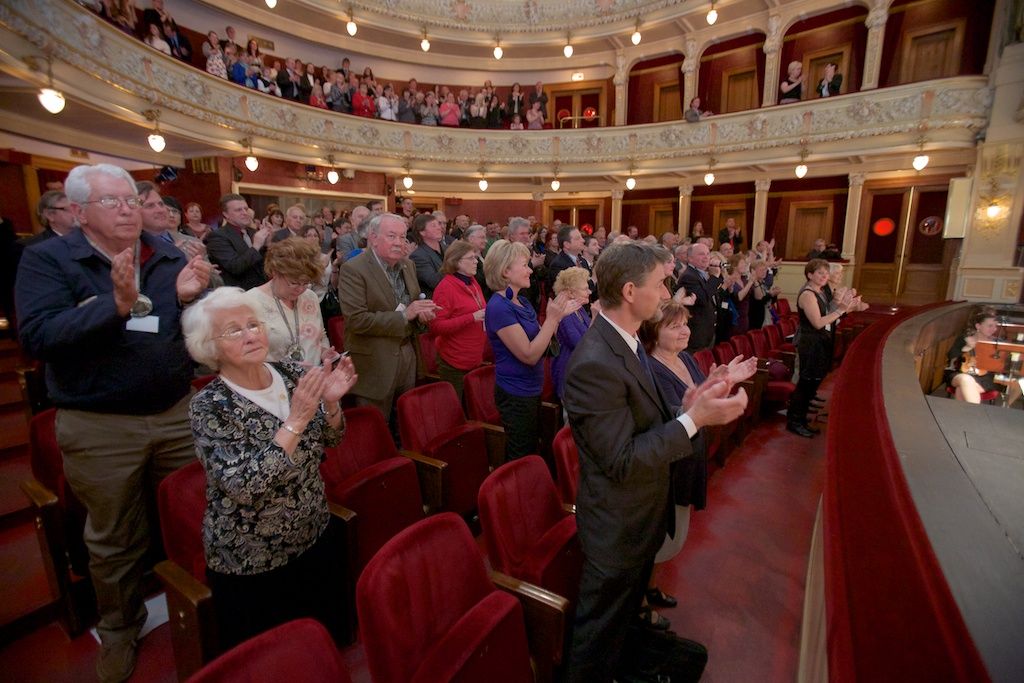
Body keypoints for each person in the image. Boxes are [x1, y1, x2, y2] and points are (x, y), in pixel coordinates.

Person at [15, 163, 211, 683]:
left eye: (131, 199)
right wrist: (115, 305)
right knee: (115, 534)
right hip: (101, 422)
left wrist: (190, 299)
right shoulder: (48, 260)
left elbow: (175, 327)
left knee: (192, 513)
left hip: (173, 410)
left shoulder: (166, 253)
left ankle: (203, 603)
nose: (128, 208)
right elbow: (37, 336)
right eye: (112, 201)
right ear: (78, 212)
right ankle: (120, 628)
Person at [562, 241, 748, 682]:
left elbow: (644, 419)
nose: (667, 292)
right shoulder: (595, 362)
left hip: (640, 512)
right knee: (595, 640)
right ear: (630, 291)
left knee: (621, 627)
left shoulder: (625, 341)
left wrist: (691, 402)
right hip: (616, 524)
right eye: (660, 283)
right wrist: (692, 421)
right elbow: (623, 459)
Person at [182, 287, 356, 649]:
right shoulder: (210, 407)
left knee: (325, 644)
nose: (251, 335)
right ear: (209, 347)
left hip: (314, 531)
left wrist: (332, 405)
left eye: (254, 324)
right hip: (255, 556)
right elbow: (244, 485)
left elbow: (331, 439)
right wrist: (295, 420)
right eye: (234, 330)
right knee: (275, 658)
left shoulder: (292, 373)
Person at [639, 300, 756, 629]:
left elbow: (699, 402)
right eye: (674, 326)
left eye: (685, 324)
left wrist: (722, 381)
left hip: (691, 454)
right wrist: (715, 389)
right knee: (659, 538)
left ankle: (650, 587)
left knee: (673, 535)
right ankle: (640, 604)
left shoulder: (686, 359)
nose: (685, 330)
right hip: (668, 462)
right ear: (652, 332)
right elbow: (674, 416)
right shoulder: (649, 368)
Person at [337, 213, 438, 425]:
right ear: (373, 238)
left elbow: (412, 305)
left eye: (402, 237)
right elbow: (356, 320)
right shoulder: (353, 269)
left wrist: (421, 315)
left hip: (407, 354)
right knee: (375, 429)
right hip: (375, 361)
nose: (399, 243)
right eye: (392, 236)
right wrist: (404, 315)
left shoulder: (407, 265)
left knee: (406, 425)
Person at [484, 239, 580, 460]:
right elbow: (529, 355)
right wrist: (553, 319)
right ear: (506, 271)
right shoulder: (498, 307)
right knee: (520, 453)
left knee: (532, 446)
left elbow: (543, 343)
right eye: (524, 265)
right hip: (515, 392)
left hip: (532, 387)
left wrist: (558, 318)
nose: (530, 270)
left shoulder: (523, 302)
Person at [787, 259, 859, 437]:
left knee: (813, 382)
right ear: (810, 274)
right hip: (811, 343)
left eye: (826, 273)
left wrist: (844, 305)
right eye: (820, 273)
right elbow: (818, 322)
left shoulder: (820, 291)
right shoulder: (808, 294)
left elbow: (827, 313)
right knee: (806, 383)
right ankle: (795, 421)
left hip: (821, 342)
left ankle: (801, 419)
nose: (824, 276)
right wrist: (840, 310)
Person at [244, 238, 330, 365]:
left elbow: (321, 336)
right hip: (273, 381)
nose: (300, 289)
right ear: (275, 272)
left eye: (306, 283)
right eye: (294, 283)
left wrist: (325, 352)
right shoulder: (249, 302)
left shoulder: (310, 296)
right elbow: (244, 353)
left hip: (312, 380)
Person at [428, 241, 487, 401]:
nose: (476, 261)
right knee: (455, 410)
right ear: (457, 261)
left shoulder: (473, 283)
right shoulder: (445, 288)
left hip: (473, 357)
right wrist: (471, 317)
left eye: (476, 257)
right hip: (454, 361)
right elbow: (436, 326)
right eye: (471, 258)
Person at [207, 193, 269, 290]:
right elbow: (235, 267)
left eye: (246, 209)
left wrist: (267, 244)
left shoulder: (253, 232)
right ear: (225, 214)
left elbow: (261, 264)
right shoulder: (217, 236)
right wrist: (256, 246)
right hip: (238, 293)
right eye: (238, 210)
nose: (245, 213)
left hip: (260, 289)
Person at [551, 267, 595, 401]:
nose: (589, 292)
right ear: (570, 292)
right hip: (569, 374)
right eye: (584, 289)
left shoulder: (579, 309)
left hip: (582, 371)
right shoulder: (564, 312)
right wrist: (595, 316)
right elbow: (580, 344)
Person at [13, 190, 77, 271]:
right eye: (67, 209)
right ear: (50, 215)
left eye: (75, 208)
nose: (75, 213)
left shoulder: (88, 239)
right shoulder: (30, 247)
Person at [946, 310, 1000, 404]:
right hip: (959, 373)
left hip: (985, 378)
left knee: (961, 389)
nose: (994, 329)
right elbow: (952, 359)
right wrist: (967, 348)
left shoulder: (996, 343)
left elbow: (1000, 365)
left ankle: (965, 416)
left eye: (995, 326)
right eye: (990, 325)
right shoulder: (964, 339)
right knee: (966, 379)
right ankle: (975, 414)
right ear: (978, 326)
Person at [676, 242, 718, 351]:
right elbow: (703, 298)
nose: (706, 257)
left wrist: (716, 276)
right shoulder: (689, 276)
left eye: (708, 254)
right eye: (701, 254)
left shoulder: (702, 274)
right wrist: (715, 277)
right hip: (696, 336)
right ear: (690, 258)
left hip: (706, 333)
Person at [409, 212, 446, 298]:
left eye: (439, 224)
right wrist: (454, 264)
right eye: (434, 225)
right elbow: (434, 281)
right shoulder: (418, 256)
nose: (439, 228)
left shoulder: (447, 248)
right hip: (437, 301)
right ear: (422, 232)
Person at [546, 224, 586, 297]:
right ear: (567, 244)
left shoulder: (583, 261)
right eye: (578, 238)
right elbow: (567, 293)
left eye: (582, 237)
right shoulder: (558, 265)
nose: (583, 240)